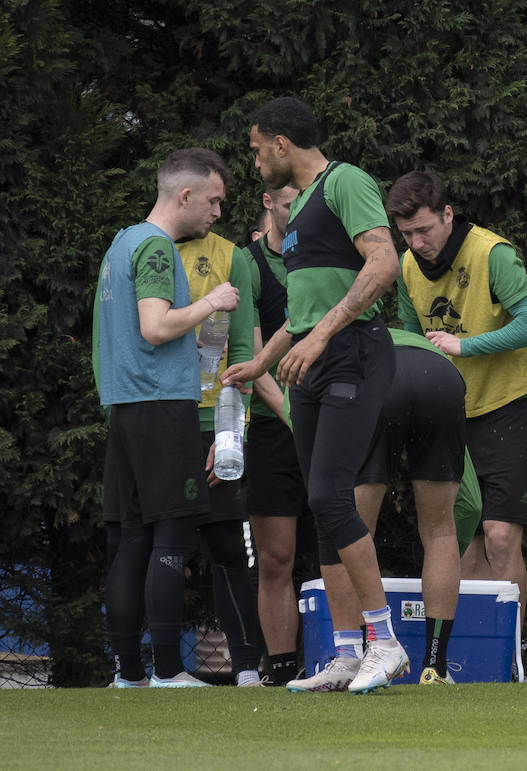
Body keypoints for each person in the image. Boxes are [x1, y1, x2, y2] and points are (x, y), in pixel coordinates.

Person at [224, 96, 407, 694]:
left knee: (331, 493)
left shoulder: (344, 180)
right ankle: (349, 651)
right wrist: (261, 363)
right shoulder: (297, 209)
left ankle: (386, 641)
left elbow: (384, 264)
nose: (254, 164)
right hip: (312, 363)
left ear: (280, 143)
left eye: (256, 151)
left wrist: (322, 336)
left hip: (354, 351)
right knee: (322, 507)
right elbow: (302, 313)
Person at [95, 147, 240, 687]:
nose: (217, 214)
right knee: (171, 537)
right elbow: (155, 328)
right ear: (186, 195)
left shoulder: (121, 243)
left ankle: (129, 675)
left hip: (126, 405)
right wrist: (213, 301)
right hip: (160, 402)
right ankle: (168, 671)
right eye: (214, 201)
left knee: (131, 539)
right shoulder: (156, 248)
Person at [385, 170, 527, 627]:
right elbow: (413, 340)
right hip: (450, 412)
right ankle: (484, 654)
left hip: (510, 404)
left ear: (447, 214)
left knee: (500, 536)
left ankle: (512, 652)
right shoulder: (405, 267)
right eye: (406, 234)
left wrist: (467, 345)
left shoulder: (490, 253)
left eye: (424, 230)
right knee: (465, 537)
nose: (416, 242)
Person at [309, 328, 470, 688]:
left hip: (379, 380)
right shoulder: (411, 342)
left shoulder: (319, 353)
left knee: (349, 526)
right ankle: (436, 667)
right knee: (441, 529)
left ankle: (356, 656)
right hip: (442, 376)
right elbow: (471, 501)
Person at [176, 218, 263, 686]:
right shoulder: (136, 249)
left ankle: (247, 668)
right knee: (157, 546)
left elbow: (242, 351)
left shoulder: (232, 257)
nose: (217, 209)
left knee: (229, 548)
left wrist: (229, 436)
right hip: (159, 424)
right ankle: (147, 670)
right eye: (212, 199)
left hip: (216, 425)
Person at [242, 181, 317, 686]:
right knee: (276, 558)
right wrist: (293, 413)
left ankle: (340, 659)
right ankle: (282, 668)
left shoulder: (325, 254)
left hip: (332, 420)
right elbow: (251, 358)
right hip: (274, 429)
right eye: (291, 203)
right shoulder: (246, 263)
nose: (300, 212)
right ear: (268, 202)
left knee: (337, 547)